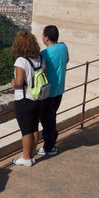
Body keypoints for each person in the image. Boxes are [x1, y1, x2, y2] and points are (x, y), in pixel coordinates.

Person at [11, 31, 46, 166]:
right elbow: (44, 76)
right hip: (38, 98)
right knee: (34, 128)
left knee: (26, 130)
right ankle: (31, 155)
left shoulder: (21, 61)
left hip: (24, 99)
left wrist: (13, 83)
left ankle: (26, 159)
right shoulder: (40, 58)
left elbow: (19, 82)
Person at [37, 25, 69, 156]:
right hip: (59, 89)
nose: (42, 37)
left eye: (43, 35)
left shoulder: (44, 54)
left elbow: (40, 72)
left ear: (47, 38)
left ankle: (49, 147)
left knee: (46, 120)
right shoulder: (63, 47)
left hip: (48, 92)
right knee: (51, 118)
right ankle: (52, 142)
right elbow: (66, 61)